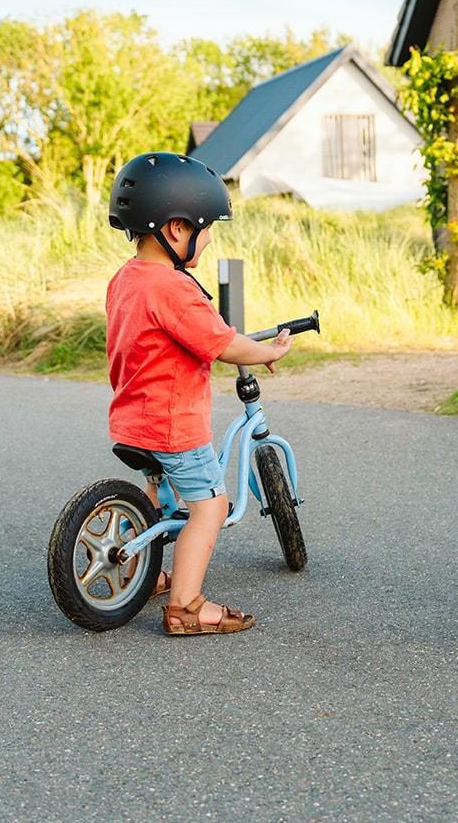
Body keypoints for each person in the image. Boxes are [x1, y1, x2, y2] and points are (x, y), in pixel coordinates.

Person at [106, 152, 291, 636]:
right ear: (176, 229)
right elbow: (223, 344)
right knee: (209, 507)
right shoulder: (174, 288)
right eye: (205, 229)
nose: (207, 239)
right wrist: (266, 351)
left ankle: (143, 573)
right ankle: (186, 606)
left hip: (132, 420)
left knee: (155, 497)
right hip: (173, 426)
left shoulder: (125, 279)